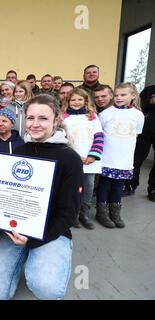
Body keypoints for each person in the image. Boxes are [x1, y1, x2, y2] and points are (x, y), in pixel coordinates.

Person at [0, 94, 84, 300]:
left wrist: (37, 240)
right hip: (16, 227)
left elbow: (69, 213)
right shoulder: (20, 150)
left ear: (56, 120)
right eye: (30, 118)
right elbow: (12, 192)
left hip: (52, 229)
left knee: (47, 290)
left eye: (43, 118)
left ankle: (46, 255)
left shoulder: (70, 158)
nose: (35, 124)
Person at [96, 83, 145, 228]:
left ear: (133, 96)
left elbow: (136, 134)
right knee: (104, 185)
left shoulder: (138, 115)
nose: (118, 98)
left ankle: (115, 213)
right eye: (116, 95)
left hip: (125, 160)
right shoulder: (106, 114)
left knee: (118, 186)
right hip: (108, 158)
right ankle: (102, 213)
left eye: (123, 95)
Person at [62, 88, 104, 229]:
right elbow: (63, 138)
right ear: (68, 101)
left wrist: (93, 155)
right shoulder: (64, 117)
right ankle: (72, 215)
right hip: (73, 158)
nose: (76, 102)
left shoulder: (92, 117)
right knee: (73, 187)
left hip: (89, 160)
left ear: (86, 101)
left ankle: (84, 214)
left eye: (80, 99)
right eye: (73, 100)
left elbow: (99, 136)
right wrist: (75, 156)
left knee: (88, 186)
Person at [123, 84, 155, 201]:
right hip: (144, 132)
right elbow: (138, 105)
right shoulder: (149, 90)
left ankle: (153, 188)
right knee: (136, 159)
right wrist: (150, 102)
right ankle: (130, 184)